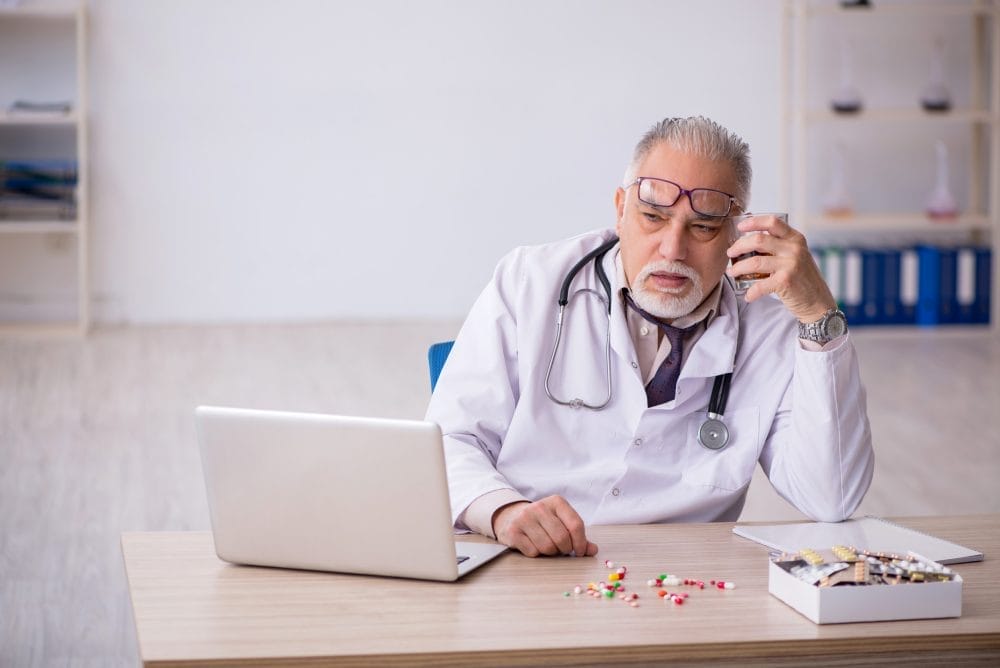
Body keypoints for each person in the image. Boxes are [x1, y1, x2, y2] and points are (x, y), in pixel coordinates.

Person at [425, 116, 873, 558]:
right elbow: (448, 441)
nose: (672, 249)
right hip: (523, 569)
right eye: (653, 217)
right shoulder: (531, 282)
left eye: (703, 227)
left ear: (739, 231)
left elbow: (829, 496)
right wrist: (502, 510)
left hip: (678, 587)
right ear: (620, 209)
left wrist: (819, 317)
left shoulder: (769, 331)